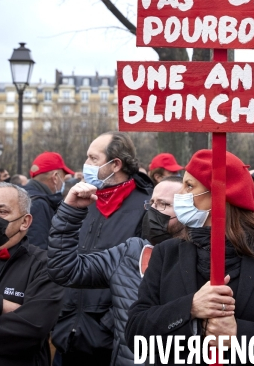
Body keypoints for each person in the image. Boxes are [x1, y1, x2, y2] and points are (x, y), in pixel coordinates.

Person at [126, 150, 254, 365]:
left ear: (220, 196)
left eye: (189, 186)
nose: (180, 193)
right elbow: (136, 332)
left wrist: (240, 335)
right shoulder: (166, 253)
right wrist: (189, 307)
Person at [47, 175, 184, 366]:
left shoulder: (203, 260)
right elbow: (65, 269)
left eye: (163, 205)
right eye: (151, 203)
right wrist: (71, 211)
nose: (153, 211)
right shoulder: (131, 252)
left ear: (189, 211)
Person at [51, 131, 153, 366]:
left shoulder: (146, 207)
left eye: (92, 158)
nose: (85, 165)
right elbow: (60, 259)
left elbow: (144, 278)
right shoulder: (80, 201)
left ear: (115, 164)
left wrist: (109, 323)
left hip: (109, 341)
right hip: (67, 333)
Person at [0, 182, 64, 366]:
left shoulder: (45, 266)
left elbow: (29, 331)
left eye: (2, 212)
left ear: (25, 221)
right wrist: (0, 304)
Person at [25, 152, 74, 249]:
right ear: (55, 177)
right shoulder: (39, 204)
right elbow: (37, 250)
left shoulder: (23, 195)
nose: (63, 182)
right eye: (63, 178)